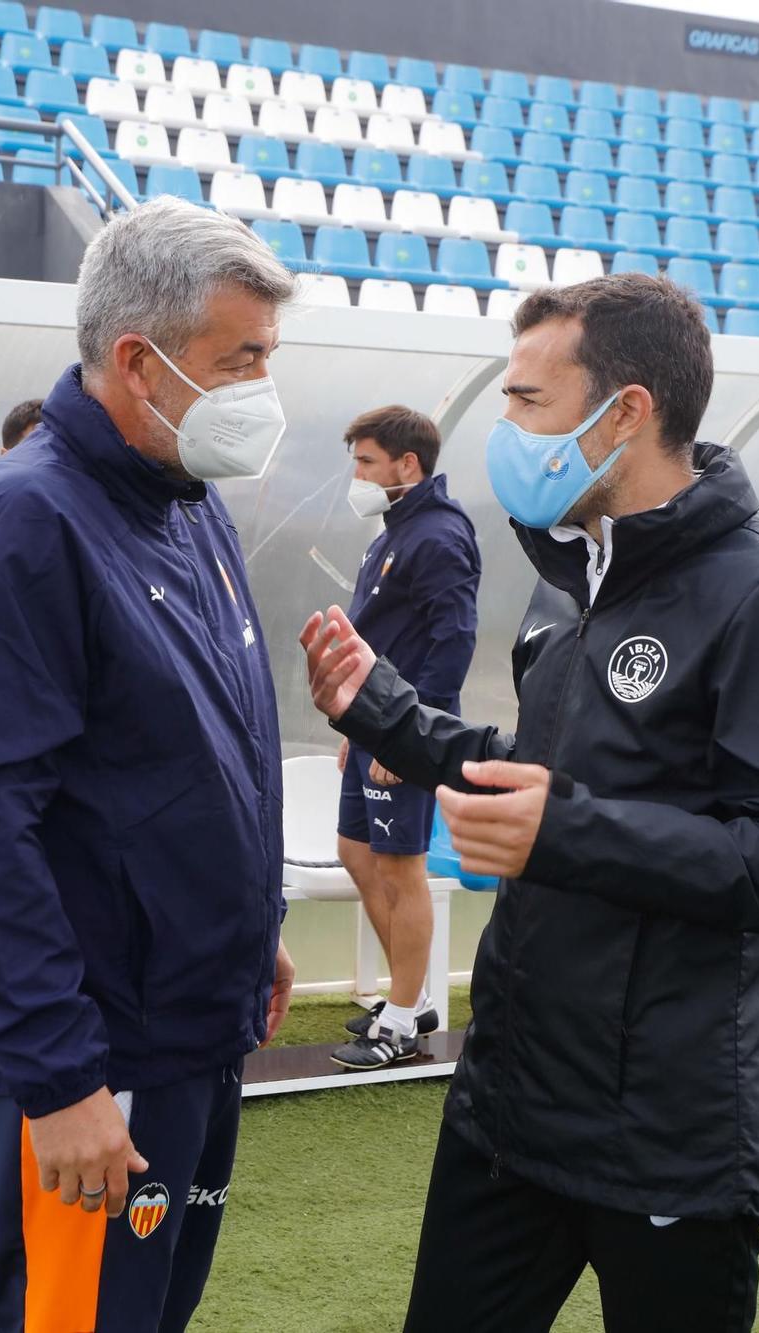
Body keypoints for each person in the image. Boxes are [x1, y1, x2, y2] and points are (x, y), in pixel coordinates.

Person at [300, 272, 759, 1332]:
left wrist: (567, 831)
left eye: (527, 402)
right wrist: (381, 712)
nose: (505, 429)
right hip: (511, 1101)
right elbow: (539, 769)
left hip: (669, 1130)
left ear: (625, 412)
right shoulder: (577, 573)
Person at [0, 198, 298, 1333]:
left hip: (192, 1026)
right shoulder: (21, 528)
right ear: (139, 360)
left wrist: (247, 930)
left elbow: (196, 749)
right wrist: (62, 1080)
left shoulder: (185, 502)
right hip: (101, 1053)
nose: (263, 390)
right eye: (243, 360)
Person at [330, 405, 481, 1070]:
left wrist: (407, 738)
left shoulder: (439, 535)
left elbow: (454, 641)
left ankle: (400, 1019)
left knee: (400, 868)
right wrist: (359, 725)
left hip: (404, 733)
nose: (357, 475)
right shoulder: (396, 531)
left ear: (406, 464)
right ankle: (409, 997)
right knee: (355, 851)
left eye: (366, 462)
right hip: (374, 728)